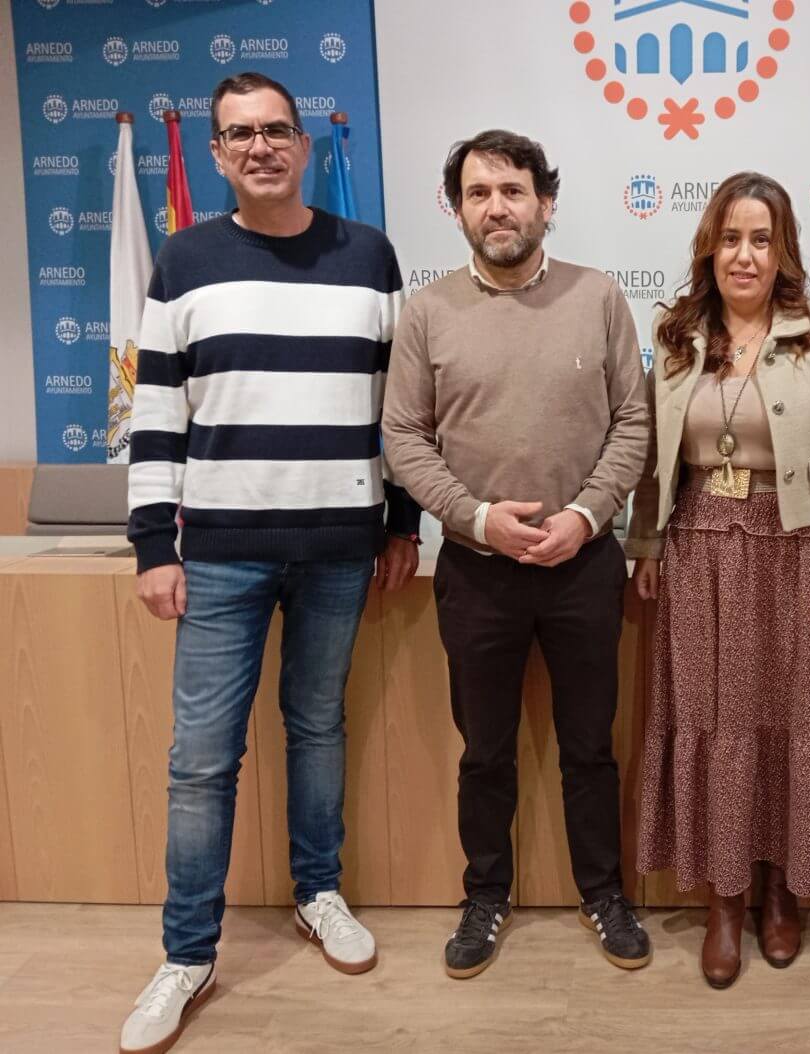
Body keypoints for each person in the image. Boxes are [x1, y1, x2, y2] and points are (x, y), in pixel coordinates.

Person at [120, 72, 421, 1054]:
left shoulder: (367, 256)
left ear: (302, 145)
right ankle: (186, 952)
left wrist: (402, 522)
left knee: (317, 726)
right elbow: (159, 415)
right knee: (200, 760)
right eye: (239, 134)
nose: (261, 147)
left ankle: (317, 890)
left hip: (340, 546)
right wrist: (150, 546)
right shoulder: (185, 260)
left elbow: (399, 411)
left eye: (276, 130)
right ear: (216, 153)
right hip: (218, 555)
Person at [381, 129, 651, 980]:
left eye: (513, 189)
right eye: (477, 192)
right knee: (485, 750)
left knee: (590, 747)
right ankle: (485, 896)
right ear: (457, 209)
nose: (497, 206)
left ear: (546, 201)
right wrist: (477, 517)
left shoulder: (600, 297)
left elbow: (634, 423)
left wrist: (586, 514)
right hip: (477, 572)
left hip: (584, 567)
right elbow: (404, 438)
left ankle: (604, 891)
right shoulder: (426, 313)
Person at [627, 171, 810, 989]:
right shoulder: (674, 334)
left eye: (761, 239)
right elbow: (650, 455)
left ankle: (781, 889)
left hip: (794, 544)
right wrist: (648, 546)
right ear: (710, 245)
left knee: (791, 721)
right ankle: (725, 897)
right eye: (731, 237)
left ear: (784, 250)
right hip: (698, 544)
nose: (745, 254)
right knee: (712, 717)